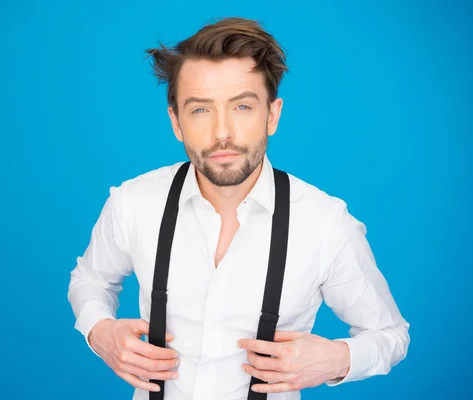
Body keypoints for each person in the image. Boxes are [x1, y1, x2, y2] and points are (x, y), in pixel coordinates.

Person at [67, 17, 410, 400]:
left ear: (272, 115)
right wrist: (99, 331)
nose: (222, 132)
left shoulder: (325, 223)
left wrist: (338, 359)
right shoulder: (132, 202)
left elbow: (390, 336)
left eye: (242, 106)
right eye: (200, 110)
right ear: (176, 122)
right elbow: (90, 280)